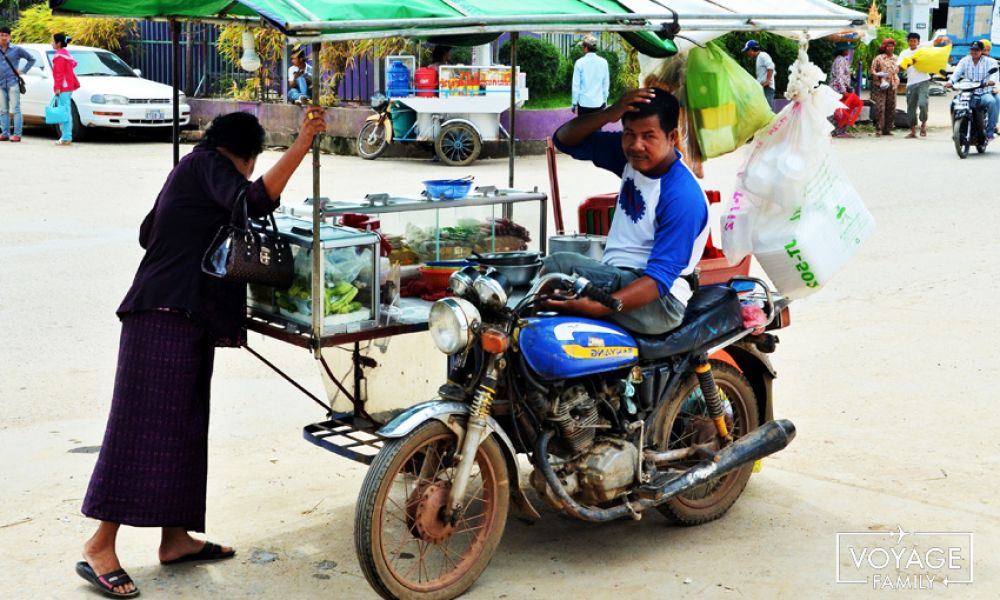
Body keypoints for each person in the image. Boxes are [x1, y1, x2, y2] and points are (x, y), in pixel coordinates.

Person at [76, 108, 327, 599]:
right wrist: (302, 144)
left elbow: (150, 232)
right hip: (162, 315)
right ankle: (100, 545)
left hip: (186, 316)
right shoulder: (208, 164)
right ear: (247, 157)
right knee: (141, 429)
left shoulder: (192, 173)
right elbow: (254, 203)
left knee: (186, 428)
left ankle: (175, 540)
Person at [544, 88, 709, 335]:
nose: (636, 145)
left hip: (660, 303)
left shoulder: (682, 196)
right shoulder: (630, 158)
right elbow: (564, 140)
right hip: (619, 276)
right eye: (629, 134)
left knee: (559, 264)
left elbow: (658, 280)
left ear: (672, 136)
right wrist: (610, 113)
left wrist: (602, 307)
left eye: (648, 136)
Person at [946, 40, 999, 141]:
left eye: (977, 50)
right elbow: (956, 73)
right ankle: (957, 131)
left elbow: (994, 75)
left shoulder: (990, 62)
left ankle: (990, 131)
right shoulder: (964, 60)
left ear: (982, 51)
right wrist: (951, 82)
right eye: (972, 50)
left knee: (991, 102)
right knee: (952, 104)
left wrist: (991, 81)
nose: (974, 52)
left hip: (983, 92)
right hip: (966, 93)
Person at [0, 25, 36, 142]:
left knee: (16, 109)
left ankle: (17, 134)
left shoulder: (16, 49)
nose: (4, 37)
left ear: (10, 37)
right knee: (3, 110)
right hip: (0, 84)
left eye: (6, 35)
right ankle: (4, 133)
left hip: (13, 83)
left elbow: (32, 59)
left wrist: (23, 70)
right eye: (1, 35)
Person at [898, 32, 930, 138]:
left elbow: (934, 44)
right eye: (910, 40)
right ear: (908, 42)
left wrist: (944, 40)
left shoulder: (922, 50)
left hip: (924, 81)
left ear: (918, 42)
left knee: (923, 104)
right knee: (911, 108)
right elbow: (900, 68)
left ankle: (923, 125)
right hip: (911, 83)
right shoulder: (904, 53)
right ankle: (913, 131)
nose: (912, 43)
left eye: (914, 41)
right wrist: (910, 63)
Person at [51, 32, 79, 145]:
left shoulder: (59, 56)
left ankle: (66, 136)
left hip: (63, 87)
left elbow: (59, 74)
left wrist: (57, 87)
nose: (52, 43)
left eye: (53, 41)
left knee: (64, 112)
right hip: (68, 86)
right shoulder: (65, 54)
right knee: (66, 111)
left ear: (58, 43)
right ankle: (66, 136)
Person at [828, 42, 862, 137]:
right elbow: (839, 76)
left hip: (839, 88)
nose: (848, 51)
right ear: (842, 50)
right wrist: (843, 90)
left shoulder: (841, 60)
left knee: (838, 109)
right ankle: (837, 131)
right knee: (838, 110)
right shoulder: (840, 60)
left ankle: (838, 130)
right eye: (846, 49)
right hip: (837, 89)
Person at [571, 34, 610, 116]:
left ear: (586, 48)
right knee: (597, 127)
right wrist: (605, 100)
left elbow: (576, 85)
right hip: (599, 103)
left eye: (583, 46)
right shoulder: (604, 62)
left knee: (583, 128)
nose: (582, 48)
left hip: (583, 103)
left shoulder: (579, 62)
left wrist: (574, 103)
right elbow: (605, 83)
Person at [869, 38, 899, 137]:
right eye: (889, 46)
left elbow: (899, 69)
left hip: (892, 84)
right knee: (880, 107)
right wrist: (878, 76)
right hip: (880, 85)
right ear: (884, 47)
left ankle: (888, 129)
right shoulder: (879, 58)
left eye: (892, 46)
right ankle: (879, 128)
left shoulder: (896, 58)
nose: (891, 48)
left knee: (891, 107)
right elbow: (872, 70)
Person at [742, 40, 775, 110]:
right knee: (762, 110)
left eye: (747, 51)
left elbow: (771, 66)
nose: (747, 53)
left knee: (768, 110)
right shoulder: (758, 58)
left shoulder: (763, 55)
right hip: (762, 88)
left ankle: (773, 121)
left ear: (751, 50)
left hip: (767, 88)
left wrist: (768, 81)